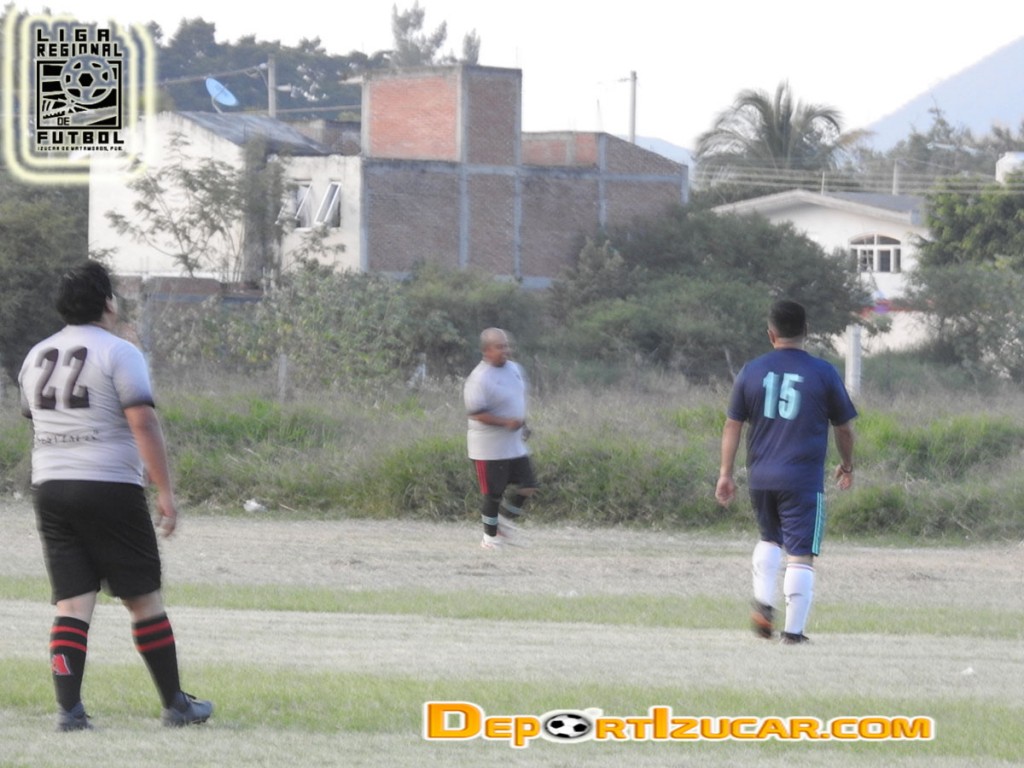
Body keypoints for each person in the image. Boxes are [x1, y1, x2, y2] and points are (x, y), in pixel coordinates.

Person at [18, 261, 213, 731]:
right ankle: (175, 705)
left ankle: (69, 711)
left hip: (52, 486)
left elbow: (36, 418)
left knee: (72, 604)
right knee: (142, 598)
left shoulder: (37, 354)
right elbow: (142, 421)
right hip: (109, 485)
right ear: (108, 302)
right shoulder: (119, 351)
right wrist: (166, 491)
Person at [715, 300, 857, 644]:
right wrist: (847, 464)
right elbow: (843, 428)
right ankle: (793, 633)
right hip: (802, 480)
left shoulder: (752, 370)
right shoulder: (823, 372)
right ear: (807, 331)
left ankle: (763, 603)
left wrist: (725, 473)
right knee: (801, 553)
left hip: (761, 477)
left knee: (769, 538)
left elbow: (732, 425)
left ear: (771, 334)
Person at [464, 328, 538, 550]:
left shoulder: (515, 369)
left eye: (506, 346)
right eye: (499, 347)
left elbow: (516, 401)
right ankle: (489, 539)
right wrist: (505, 423)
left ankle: (502, 524)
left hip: (514, 444)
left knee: (528, 485)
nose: (505, 350)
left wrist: (522, 424)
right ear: (486, 350)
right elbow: (476, 413)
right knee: (493, 494)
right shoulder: (479, 378)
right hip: (488, 448)